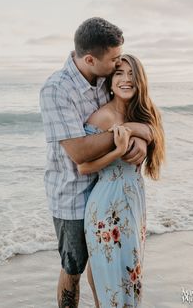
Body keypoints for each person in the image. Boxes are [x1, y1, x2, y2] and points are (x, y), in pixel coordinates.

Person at [40, 18, 153, 308]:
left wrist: (142, 135)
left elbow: (138, 112)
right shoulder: (56, 89)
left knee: (106, 265)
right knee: (74, 267)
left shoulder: (105, 78)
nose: (118, 66)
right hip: (73, 194)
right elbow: (79, 152)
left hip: (111, 193)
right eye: (114, 60)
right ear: (90, 59)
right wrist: (128, 134)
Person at [77, 54, 165, 307]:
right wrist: (117, 151)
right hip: (106, 207)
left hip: (135, 204)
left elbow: (154, 132)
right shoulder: (101, 118)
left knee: (132, 274)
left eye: (131, 74)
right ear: (110, 81)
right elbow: (83, 166)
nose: (125, 79)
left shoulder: (145, 114)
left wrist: (137, 131)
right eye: (119, 73)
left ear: (140, 81)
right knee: (112, 278)